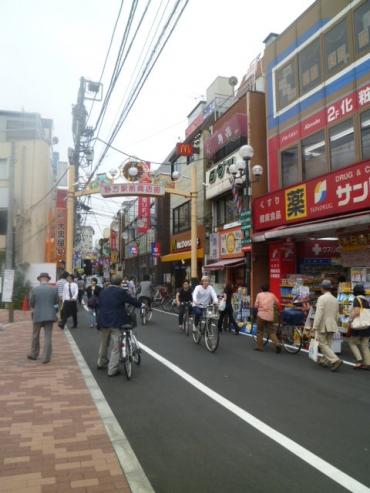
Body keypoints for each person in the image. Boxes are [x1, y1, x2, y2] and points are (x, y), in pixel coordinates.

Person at [97, 275, 141, 376]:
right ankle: (112, 370)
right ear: (120, 283)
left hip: (103, 320)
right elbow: (132, 301)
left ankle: (101, 362)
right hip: (115, 322)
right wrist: (141, 305)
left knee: (104, 344)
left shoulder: (103, 291)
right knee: (116, 346)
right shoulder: (120, 292)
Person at [28, 272, 59, 364]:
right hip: (49, 315)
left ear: (40, 279)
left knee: (35, 335)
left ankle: (34, 354)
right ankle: (46, 357)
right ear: (48, 280)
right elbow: (56, 303)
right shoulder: (53, 290)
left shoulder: (34, 290)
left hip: (37, 315)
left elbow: (31, 303)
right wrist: (55, 312)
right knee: (48, 336)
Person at [312, 279, 343, 371]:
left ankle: (336, 360)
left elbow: (319, 313)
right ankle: (324, 360)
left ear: (322, 288)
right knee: (328, 344)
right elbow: (337, 315)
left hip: (323, 324)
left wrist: (314, 326)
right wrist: (335, 324)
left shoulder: (322, 298)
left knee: (322, 344)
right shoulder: (335, 299)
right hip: (332, 324)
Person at [348, 284, 370, 370]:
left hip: (359, 325)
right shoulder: (367, 301)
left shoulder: (357, 299)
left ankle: (359, 361)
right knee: (365, 345)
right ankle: (368, 364)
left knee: (352, 342)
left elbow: (356, 312)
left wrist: (350, 319)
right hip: (367, 325)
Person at [254, 285, 281, 352]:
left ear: (261, 289)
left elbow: (256, 305)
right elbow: (278, 303)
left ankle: (259, 347)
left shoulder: (259, 295)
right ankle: (277, 344)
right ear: (268, 289)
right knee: (271, 332)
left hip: (261, 316)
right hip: (270, 316)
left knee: (260, 331)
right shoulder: (272, 295)